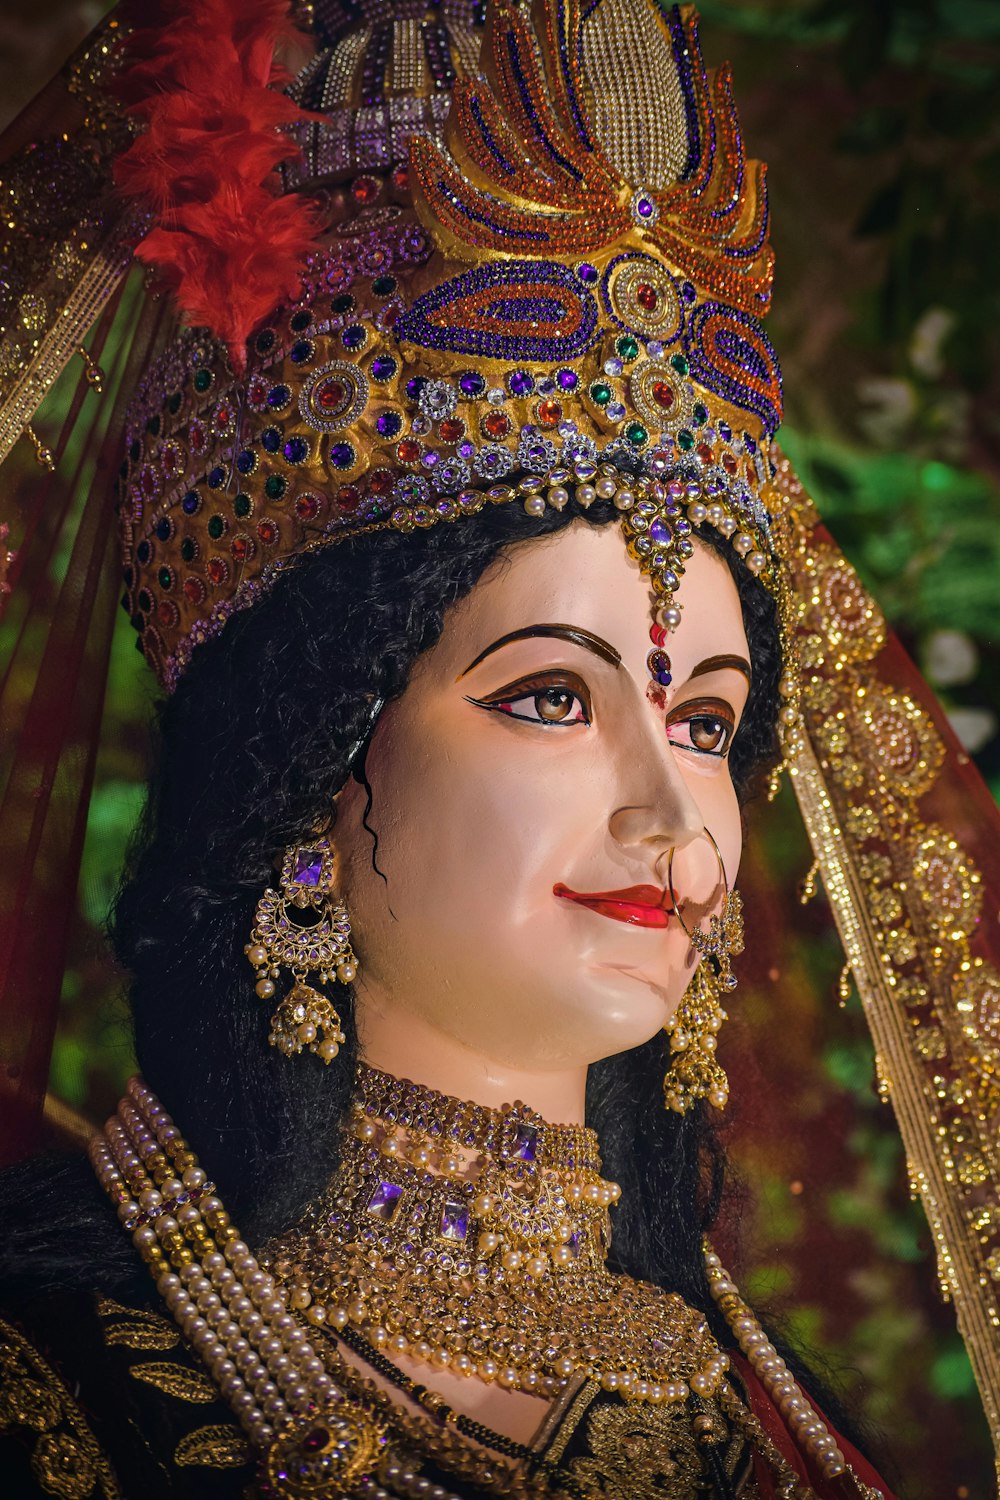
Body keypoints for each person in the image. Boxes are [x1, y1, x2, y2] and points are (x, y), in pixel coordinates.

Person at [0, 1, 996, 1496]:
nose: (676, 820)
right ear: (309, 768)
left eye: (709, 721)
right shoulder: (55, 1385)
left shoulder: (767, 1413)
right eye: (548, 696)